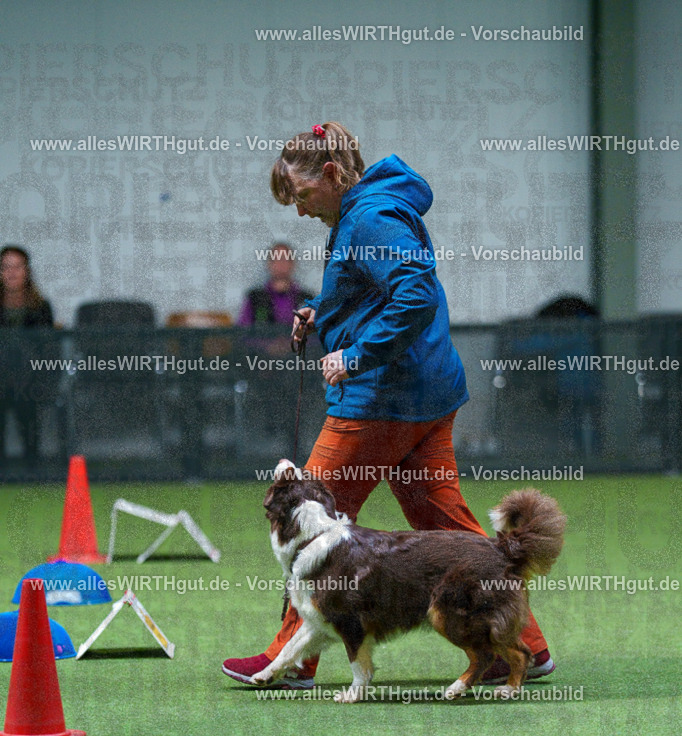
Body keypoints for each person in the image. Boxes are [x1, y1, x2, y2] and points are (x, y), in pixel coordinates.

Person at [222, 122, 555, 688]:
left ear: (330, 175)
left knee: (308, 516)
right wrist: (321, 313)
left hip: (380, 399)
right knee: (445, 525)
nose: (300, 212)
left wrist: (355, 356)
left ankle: (293, 658)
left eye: (302, 196)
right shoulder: (372, 207)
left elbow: (415, 294)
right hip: (428, 394)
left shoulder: (370, 216)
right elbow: (369, 287)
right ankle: (520, 644)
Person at [0, 246, 54, 462]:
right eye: (5, 267)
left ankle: (32, 468)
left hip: (30, 380)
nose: (11, 273)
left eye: (17, 267)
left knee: (27, 400)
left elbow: (48, 348)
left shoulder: (40, 306)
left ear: (27, 271)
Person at [236, 242, 309, 327]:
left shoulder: (307, 300)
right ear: (269, 264)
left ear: (293, 264)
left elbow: (316, 335)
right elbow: (242, 332)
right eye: (276, 259)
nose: (281, 263)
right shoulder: (255, 298)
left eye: (285, 259)